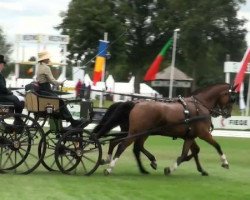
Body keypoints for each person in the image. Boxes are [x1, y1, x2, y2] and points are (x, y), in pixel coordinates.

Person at [36, 51, 84, 127]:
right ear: (44, 59)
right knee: (60, 102)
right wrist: (60, 83)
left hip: (42, 90)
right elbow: (52, 81)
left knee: (58, 103)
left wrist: (57, 83)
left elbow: (48, 80)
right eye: (47, 58)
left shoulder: (39, 67)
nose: (49, 59)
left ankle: (61, 124)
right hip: (46, 90)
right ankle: (72, 121)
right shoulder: (46, 67)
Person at [0, 54, 24, 124]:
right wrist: (9, 92)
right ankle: (17, 119)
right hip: (1, 95)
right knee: (16, 99)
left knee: (18, 99)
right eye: (2, 64)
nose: (3, 66)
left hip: (2, 94)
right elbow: (2, 87)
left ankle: (17, 118)